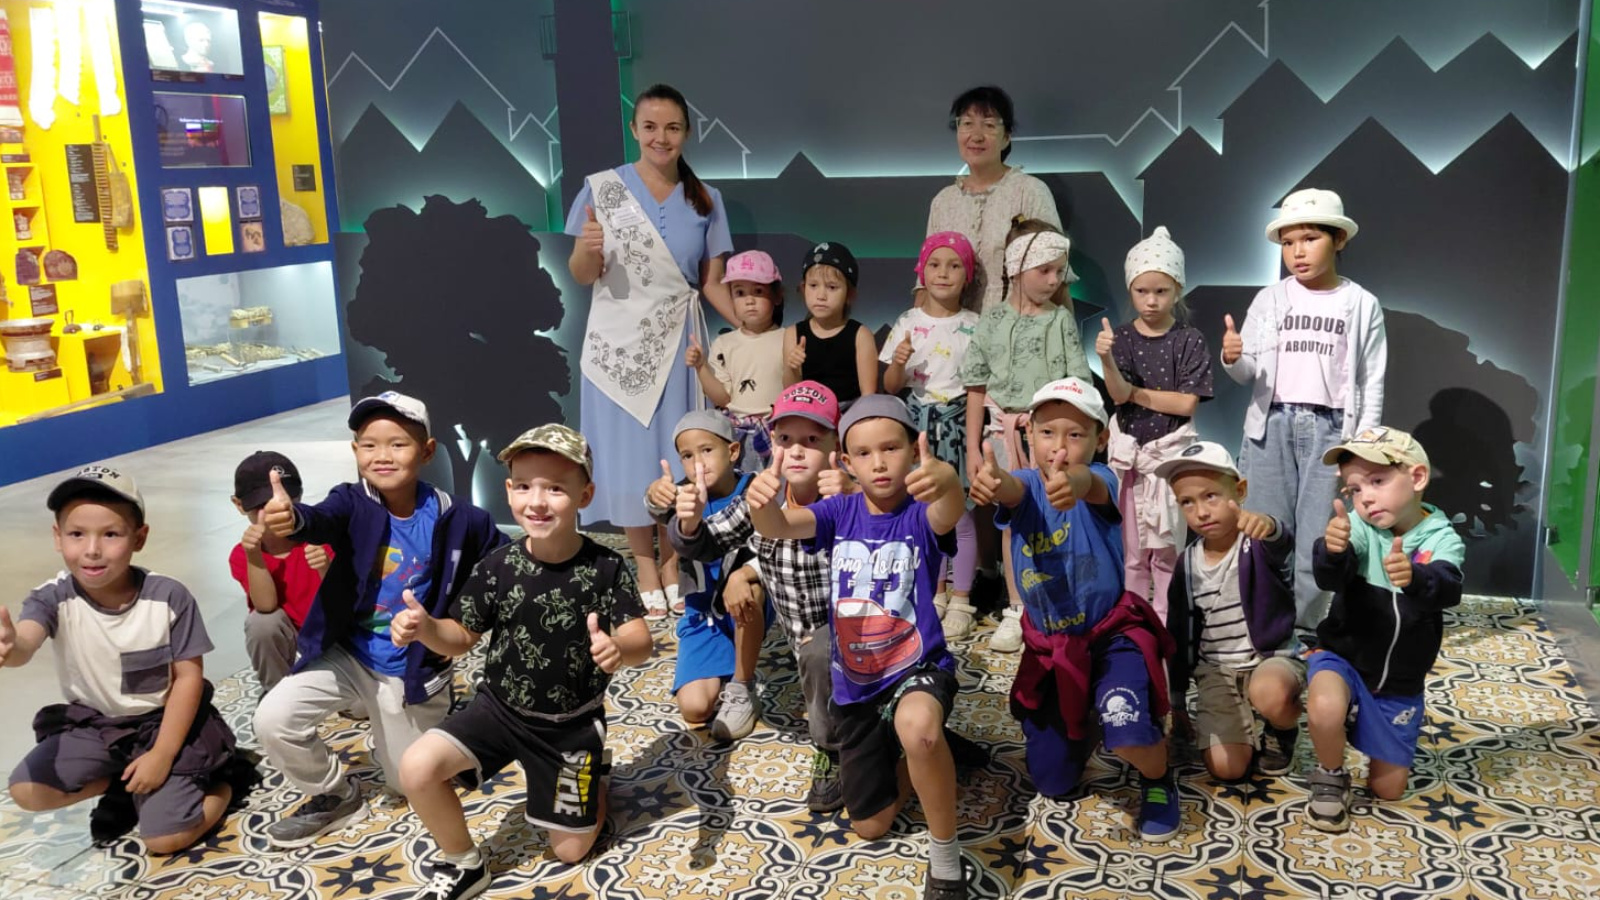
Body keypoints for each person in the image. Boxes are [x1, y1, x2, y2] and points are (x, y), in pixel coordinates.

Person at [395, 425, 652, 899]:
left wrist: (620, 648)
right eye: (525, 486)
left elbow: (641, 638)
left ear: (585, 495)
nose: (537, 501)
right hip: (498, 711)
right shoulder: (498, 566)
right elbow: (461, 637)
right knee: (416, 767)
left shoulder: (606, 567)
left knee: (570, 851)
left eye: (555, 488)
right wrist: (426, 628)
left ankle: (594, 774)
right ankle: (464, 863)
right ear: (510, 490)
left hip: (569, 728)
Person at [253, 392, 507, 849]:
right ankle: (336, 794)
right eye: (369, 445)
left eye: (398, 444)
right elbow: (319, 519)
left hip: (410, 668)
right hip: (348, 655)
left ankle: (426, 716)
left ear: (427, 451)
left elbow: (503, 564)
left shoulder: (459, 518)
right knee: (273, 719)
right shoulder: (350, 501)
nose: (382, 456)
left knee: (407, 781)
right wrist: (293, 519)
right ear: (355, 451)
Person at [748, 395, 971, 899]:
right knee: (870, 825)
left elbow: (950, 510)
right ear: (845, 462)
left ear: (913, 450)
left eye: (891, 448)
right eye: (865, 453)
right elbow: (779, 527)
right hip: (857, 682)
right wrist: (761, 503)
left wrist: (949, 481)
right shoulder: (838, 512)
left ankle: (945, 857)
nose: (879, 463)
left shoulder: (920, 514)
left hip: (916, 665)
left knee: (919, 729)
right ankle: (917, 755)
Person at [968, 378, 1179, 843]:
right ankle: (1085, 717)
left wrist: (1074, 482)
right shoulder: (1026, 484)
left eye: (1075, 434)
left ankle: (1158, 776)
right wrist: (994, 482)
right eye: (1047, 432)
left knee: (1126, 731)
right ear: (1029, 435)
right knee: (1052, 781)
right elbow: (1010, 489)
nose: (1059, 448)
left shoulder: (1101, 479)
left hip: (1110, 638)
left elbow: (1089, 484)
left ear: (1100, 439)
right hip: (1053, 649)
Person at [565, 83, 736, 628]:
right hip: (617, 345)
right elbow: (582, 275)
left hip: (679, 342)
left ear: (687, 133)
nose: (662, 137)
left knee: (675, 451)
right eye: (651, 127)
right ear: (634, 130)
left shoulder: (706, 198)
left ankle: (672, 557)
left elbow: (711, 283)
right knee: (628, 455)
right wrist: (587, 249)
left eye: (673, 128)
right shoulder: (602, 189)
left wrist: (755, 331)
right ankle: (643, 560)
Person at [3, 466, 238, 854]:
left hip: (165, 723)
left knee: (163, 839)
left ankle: (223, 781)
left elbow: (188, 679)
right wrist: (10, 647)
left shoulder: (169, 597)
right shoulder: (53, 597)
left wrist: (161, 755)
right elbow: (26, 641)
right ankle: (125, 785)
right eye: (77, 534)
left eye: (110, 534)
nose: (92, 549)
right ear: (57, 537)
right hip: (98, 727)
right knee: (28, 790)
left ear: (139, 538)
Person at [669, 381, 849, 811]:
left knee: (826, 660)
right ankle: (837, 741)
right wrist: (689, 522)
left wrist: (857, 499)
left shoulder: (848, 495)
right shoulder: (763, 496)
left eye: (812, 440)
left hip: (860, 636)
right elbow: (706, 542)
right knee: (817, 662)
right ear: (771, 443)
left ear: (835, 447)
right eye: (786, 439)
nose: (797, 451)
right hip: (808, 649)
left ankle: (839, 746)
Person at [1221, 188, 1387, 637]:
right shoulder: (1270, 299)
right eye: (1289, 242)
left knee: (1319, 535)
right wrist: (1233, 357)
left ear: (1338, 240)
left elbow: (1371, 377)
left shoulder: (1361, 303)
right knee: (1265, 528)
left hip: (1331, 430)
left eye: (1310, 239)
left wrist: (1363, 446)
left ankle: (1308, 630)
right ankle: (1264, 624)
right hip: (1271, 425)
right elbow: (1248, 372)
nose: (1298, 251)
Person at [1305, 427, 1463, 832]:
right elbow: (1330, 577)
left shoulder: (1441, 536)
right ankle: (1330, 774)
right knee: (1325, 705)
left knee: (1388, 789)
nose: (1365, 498)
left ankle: (1361, 719)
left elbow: (1448, 589)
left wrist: (1416, 578)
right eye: (1355, 489)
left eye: (1377, 481)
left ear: (1417, 477)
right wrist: (1331, 550)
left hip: (1399, 681)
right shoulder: (1357, 526)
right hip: (1343, 657)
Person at [961, 221, 1092, 652]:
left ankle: (1059, 603)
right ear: (1017, 268)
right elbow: (976, 386)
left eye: (1059, 271)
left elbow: (1077, 381)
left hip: (1049, 437)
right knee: (1013, 518)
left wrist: (1069, 440)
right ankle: (1016, 607)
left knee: (1059, 517)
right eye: (1045, 270)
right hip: (1003, 434)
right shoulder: (992, 322)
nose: (1054, 280)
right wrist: (973, 448)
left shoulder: (1061, 321)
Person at [1158, 443, 1303, 782]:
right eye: (1187, 502)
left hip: (1269, 659)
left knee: (1271, 694)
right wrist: (1177, 701)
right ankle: (1237, 724)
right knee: (1227, 769)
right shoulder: (1187, 563)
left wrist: (1268, 524)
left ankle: (1281, 729)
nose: (1201, 512)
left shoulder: (1256, 543)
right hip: (1216, 671)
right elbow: (1177, 631)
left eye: (1211, 496)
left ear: (1239, 491)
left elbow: (1282, 540)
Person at [1096, 227, 1212, 620]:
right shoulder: (1123, 337)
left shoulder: (1189, 339)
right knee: (1132, 552)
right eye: (1141, 291)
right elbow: (1116, 395)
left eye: (1160, 291)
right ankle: (1132, 623)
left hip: (1169, 458)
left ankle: (1166, 623)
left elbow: (1186, 403)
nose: (1150, 300)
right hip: (1131, 458)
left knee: (1166, 550)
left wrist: (1134, 393)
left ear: (1177, 290)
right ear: (1130, 289)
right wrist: (1107, 361)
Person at [882, 232, 982, 639]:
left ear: (968, 275)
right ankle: (934, 590)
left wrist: (974, 444)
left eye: (954, 265)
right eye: (935, 264)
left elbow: (977, 387)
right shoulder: (907, 322)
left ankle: (962, 597)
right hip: (917, 426)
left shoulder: (975, 325)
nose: (943, 273)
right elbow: (890, 386)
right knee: (923, 511)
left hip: (957, 425)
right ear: (921, 271)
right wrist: (898, 363)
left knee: (961, 512)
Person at [643, 411, 762, 740]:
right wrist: (654, 494)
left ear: (733, 451)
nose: (698, 462)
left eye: (707, 450)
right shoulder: (684, 495)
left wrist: (743, 575)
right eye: (687, 455)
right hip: (703, 613)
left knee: (750, 590)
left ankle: (742, 685)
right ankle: (725, 660)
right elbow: (656, 508)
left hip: (748, 602)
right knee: (694, 708)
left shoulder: (752, 488)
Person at [925, 86, 1066, 312]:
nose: (976, 136)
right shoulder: (943, 202)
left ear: (1006, 137)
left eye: (989, 125)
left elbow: (1056, 279)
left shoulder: (1030, 191)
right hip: (954, 331)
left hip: (1017, 327)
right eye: (967, 123)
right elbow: (925, 284)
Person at [229, 451, 332, 692]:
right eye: (262, 506)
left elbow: (344, 600)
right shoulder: (242, 554)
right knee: (261, 624)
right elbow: (266, 606)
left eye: (284, 501)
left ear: (298, 496)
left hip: (334, 635)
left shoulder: (321, 534)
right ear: (239, 505)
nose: (275, 512)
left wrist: (325, 567)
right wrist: (254, 556)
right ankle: (278, 692)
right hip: (294, 638)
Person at [686, 249, 785, 473]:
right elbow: (723, 397)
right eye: (740, 292)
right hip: (738, 433)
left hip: (780, 431)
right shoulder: (724, 343)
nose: (749, 300)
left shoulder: (789, 338)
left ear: (777, 296)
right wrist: (701, 367)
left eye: (758, 291)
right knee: (743, 488)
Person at [783, 241, 876, 406]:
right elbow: (790, 393)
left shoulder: (861, 335)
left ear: (849, 294)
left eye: (832, 287)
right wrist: (792, 368)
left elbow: (868, 395)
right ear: (803, 289)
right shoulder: (793, 334)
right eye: (813, 286)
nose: (821, 296)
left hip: (849, 412)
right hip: (808, 412)